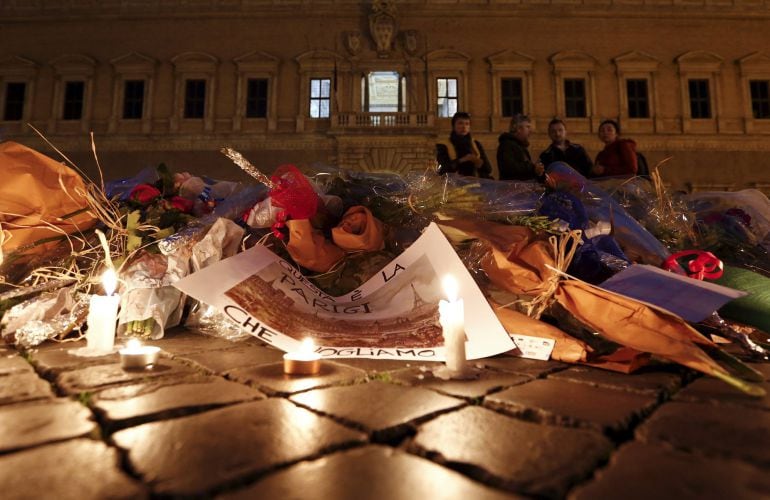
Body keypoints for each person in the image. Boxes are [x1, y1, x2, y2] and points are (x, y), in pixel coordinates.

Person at [436, 112, 493, 178]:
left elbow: (488, 169)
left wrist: (476, 161)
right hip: (454, 185)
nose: (464, 127)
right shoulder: (444, 145)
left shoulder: (475, 144)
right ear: (454, 126)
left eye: (467, 124)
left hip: (475, 184)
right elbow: (442, 170)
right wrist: (463, 160)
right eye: (460, 123)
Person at [497, 113, 545, 181]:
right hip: (512, 189)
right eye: (527, 127)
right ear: (518, 128)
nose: (530, 131)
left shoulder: (520, 146)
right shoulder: (507, 145)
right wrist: (532, 168)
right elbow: (509, 168)